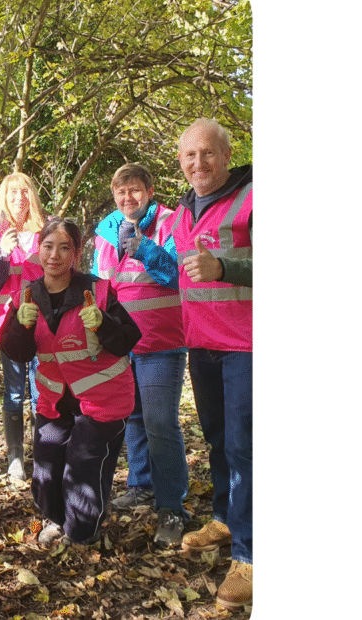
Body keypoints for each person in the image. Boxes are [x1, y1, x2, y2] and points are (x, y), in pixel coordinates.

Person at [0, 218, 141, 546]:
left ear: (76, 253)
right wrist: (20, 326)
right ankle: (55, 519)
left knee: (84, 463)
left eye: (65, 248)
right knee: (47, 464)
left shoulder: (97, 290)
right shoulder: (27, 295)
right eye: (48, 246)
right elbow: (16, 351)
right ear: (38, 250)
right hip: (54, 398)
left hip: (103, 397)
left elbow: (128, 338)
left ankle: (80, 535)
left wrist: (104, 324)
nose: (55, 255)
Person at [165, 118, 252, 609]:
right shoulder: (182, 210)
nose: (198, 164)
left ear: (226, 153)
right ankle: (225, 516)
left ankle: (252, 553)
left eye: (208, 153)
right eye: (189, 156)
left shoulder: (253, 197)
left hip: (248, 345)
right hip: (202, 344)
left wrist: (225, 267)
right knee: (218, 439)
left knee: (246, 448)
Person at [92, 163, 189, 548]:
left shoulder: (170, 222)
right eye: (121, 192)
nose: (128, 198)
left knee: (161, 423)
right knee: (130, 416)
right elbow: (101, 284)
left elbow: (178, 275)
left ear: (149, 191)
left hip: (162, 340)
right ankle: (141, 484)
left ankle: (172, 508)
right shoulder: (105, 230)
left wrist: (145, 248)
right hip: (120, 342)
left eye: (135, 190)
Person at [0, 172, 46, 480]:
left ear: (31, 196)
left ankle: (43, 453)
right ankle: (15, 456)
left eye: (24, 192)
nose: (18, 198)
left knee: (42, 389)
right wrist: (3, 255)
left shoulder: (46, 230)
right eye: (12, 194)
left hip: (43, 320)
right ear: (3, 200)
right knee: (14, 393)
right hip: (9, 322)